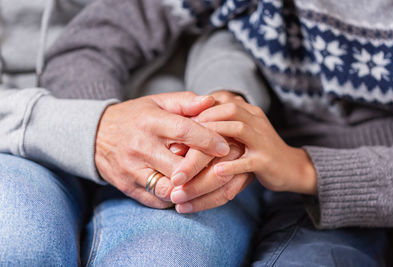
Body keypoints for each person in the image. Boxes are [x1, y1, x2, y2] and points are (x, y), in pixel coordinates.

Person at [41, 0, 393, 265]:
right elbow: (88, 45)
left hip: (364, 192)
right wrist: (121, 136)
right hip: (252, 163)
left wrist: (303, 167)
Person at [0, 1, 265, 266]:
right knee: (16, 247)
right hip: (19, 133)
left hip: (182, 128)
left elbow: (232, 19)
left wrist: (225, 104)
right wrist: (94, 130)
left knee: (166, 258)